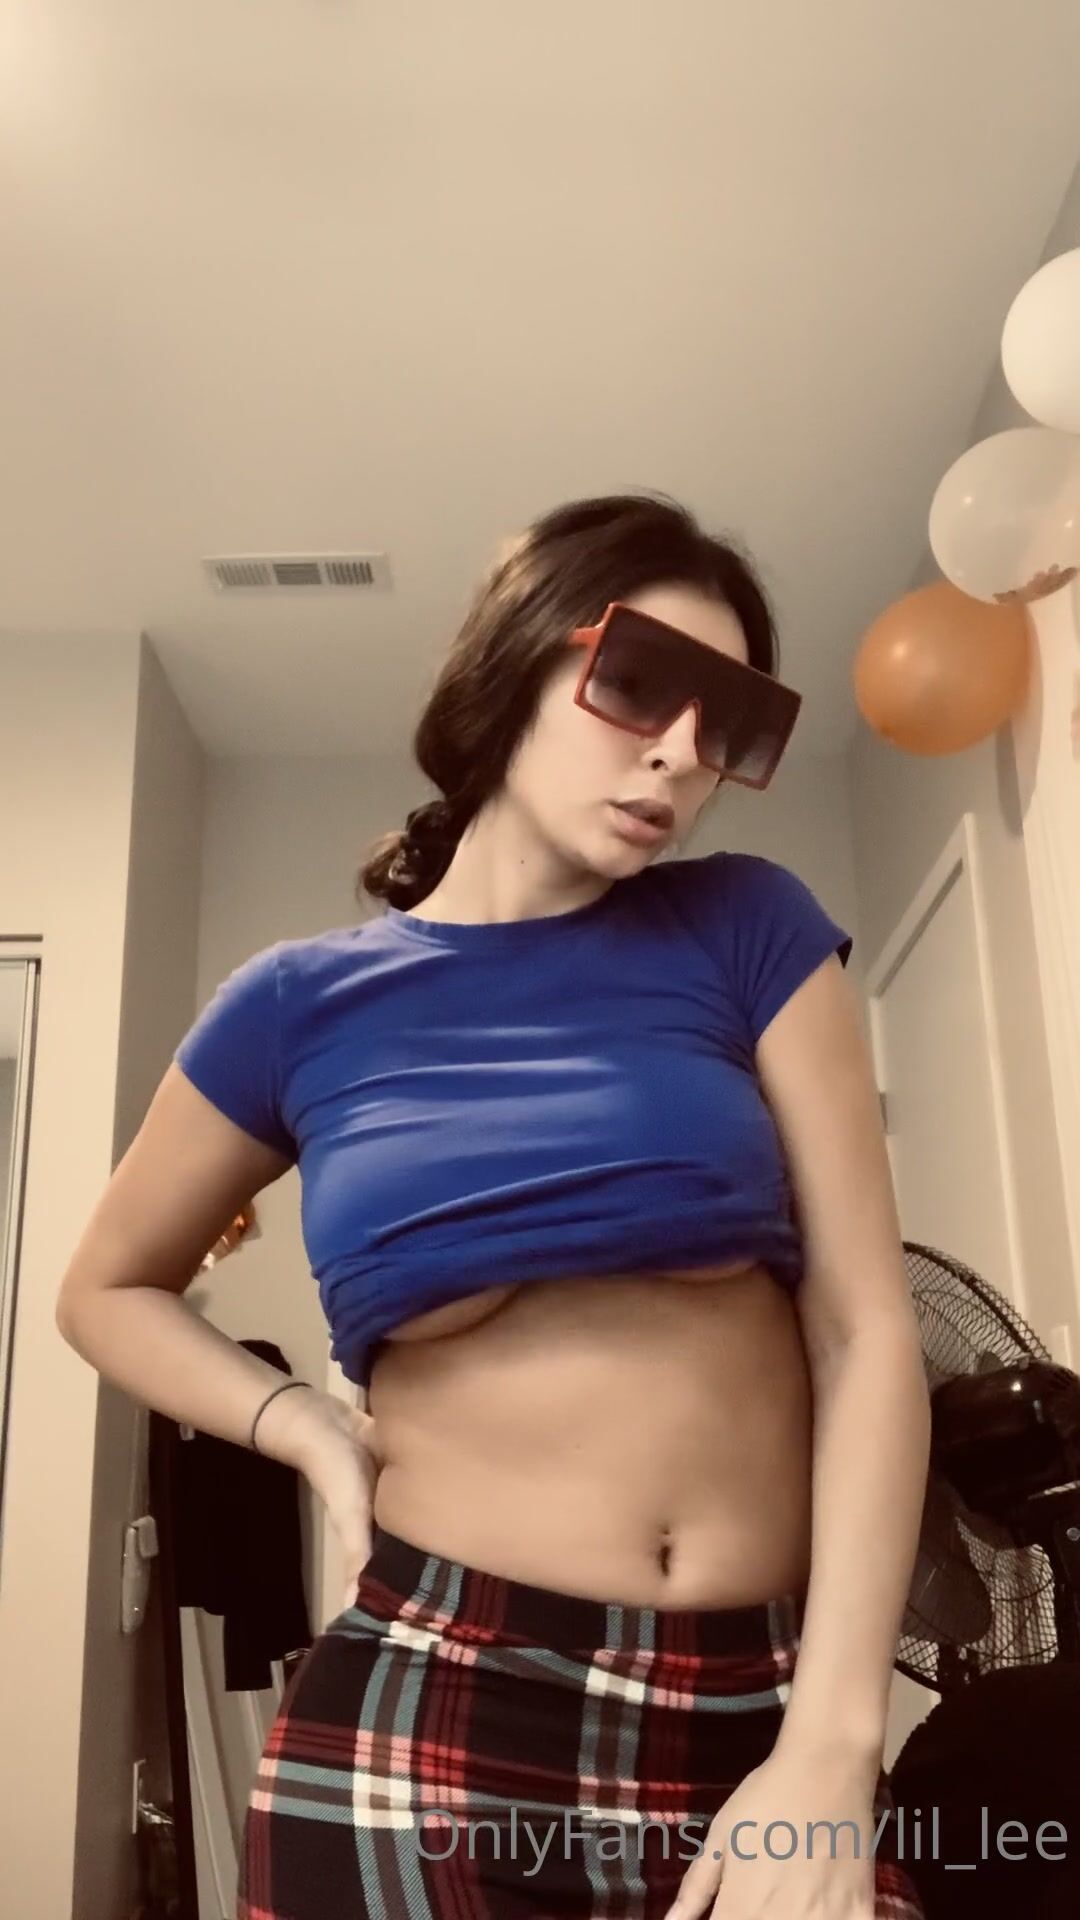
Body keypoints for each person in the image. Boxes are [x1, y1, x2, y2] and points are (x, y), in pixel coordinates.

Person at [57, 492, 931, 1919]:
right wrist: (309, 1433)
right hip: (430, 1702)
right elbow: (104, 1289)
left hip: (764, 1708)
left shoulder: (748, 927)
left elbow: (866, 1333)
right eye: (640, 685)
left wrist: (835, 1743)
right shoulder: (294, 1007)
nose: (681, 753)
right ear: (514, 661)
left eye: (729, 725)